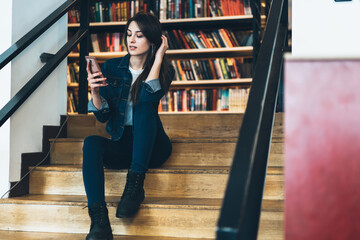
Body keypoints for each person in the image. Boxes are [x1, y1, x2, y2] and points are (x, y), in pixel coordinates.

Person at [82, 12, 175, 240]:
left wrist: (160, 56)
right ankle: (99, 221)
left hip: (153, 147)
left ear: (153, 40)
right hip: (124, 144)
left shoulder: (163, 70)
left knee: (144, 106)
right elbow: (103, 118)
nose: (131, 40)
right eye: (129, 34)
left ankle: (134, 186)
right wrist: (95, 91)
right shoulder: (112, 68)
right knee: (91, 143)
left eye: (140, 35)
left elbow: (149, 97)